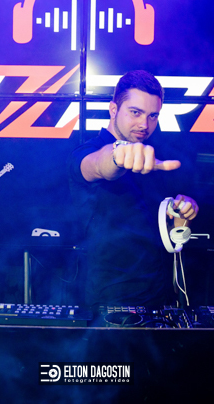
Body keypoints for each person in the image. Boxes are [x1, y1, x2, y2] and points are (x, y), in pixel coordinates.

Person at [67, 70, 199, 308]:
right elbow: (99, 165)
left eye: (153, 116)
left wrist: (182, 212)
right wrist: (117, 155)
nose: (144, 124)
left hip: (158, 297)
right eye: (135, 112)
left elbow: (165, 231)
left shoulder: (152, 157)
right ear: (113, 110)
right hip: (110, 305)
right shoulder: (88, 151)